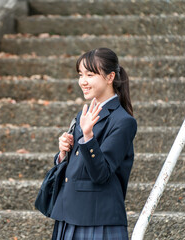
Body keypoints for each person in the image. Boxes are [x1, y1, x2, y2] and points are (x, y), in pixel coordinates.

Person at [50, 48, 137, 240]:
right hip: (68, 214)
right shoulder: (84, 114)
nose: (83, 81)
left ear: (110, 77)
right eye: (80, 75)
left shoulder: (123, 121)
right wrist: (63, 153)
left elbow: (101, 173)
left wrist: (88, 137)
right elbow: (75, 168)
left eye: (90, 74)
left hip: (99, 220)